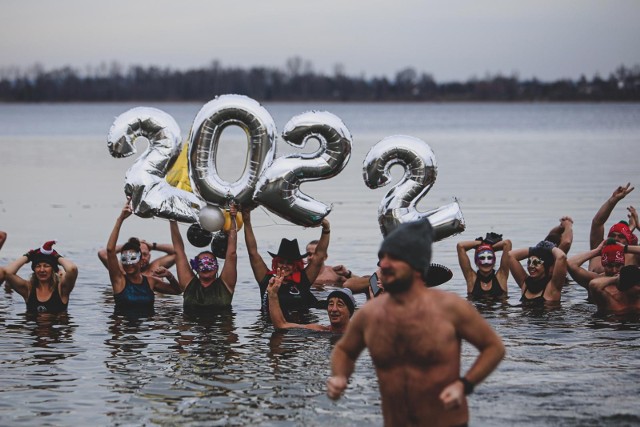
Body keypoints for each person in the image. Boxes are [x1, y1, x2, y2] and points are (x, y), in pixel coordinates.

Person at [327, 219, 505, 426]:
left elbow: (494, 347)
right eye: (382, 258)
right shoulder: (371, 314)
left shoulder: (450, 308)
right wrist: (339, 376)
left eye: (393, 258)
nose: (383, 264)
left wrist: (464, 385)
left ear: (416, 266)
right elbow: (345, 351)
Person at [242, 208, 329, 313]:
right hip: (271, 327)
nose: (284, 266)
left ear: (296, 265)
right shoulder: (266, 279)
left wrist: (326, 229)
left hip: (302, 326)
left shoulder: (303, 280)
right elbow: (253, 253)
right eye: (281, 262)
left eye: (290, 263)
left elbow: (318, 257)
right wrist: (246, 221)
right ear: (276, 262)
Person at [106, 198, 182, 307]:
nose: (128, 263)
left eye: (132, 258)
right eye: (124, 259)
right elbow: (109, 250)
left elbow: (177, 291)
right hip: (124, 323)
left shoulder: (151, 281)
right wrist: (120, 219)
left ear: (141, 260)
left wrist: (170, 276)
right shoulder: (119, 280)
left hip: (147, 323)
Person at [169, 203, 238, 311]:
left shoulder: (226, 284)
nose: (205, 267)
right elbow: (179, 251)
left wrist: (232, 219)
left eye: (210, 263)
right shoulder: (188, 284)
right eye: (201, 263)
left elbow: (231, 254)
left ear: (216, 268)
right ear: (195, 266)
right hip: (193, 327)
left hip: (219, 327)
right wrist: (172, 219)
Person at [267, 268, 355, 333]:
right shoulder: (320, 331)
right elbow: (281, 325)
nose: (334, 309)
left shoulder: (358, 336)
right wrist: (272, 295)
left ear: (350, 312)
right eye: (331, 304)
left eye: (340, 304)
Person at [1, 240, 78, 314]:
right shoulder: (28, 288)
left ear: (53, 270)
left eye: (46, 266)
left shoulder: (62, 288)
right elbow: (8, 272)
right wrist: (28, 255)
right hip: (32, 327)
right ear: (34, 270)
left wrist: (56, 256)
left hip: (56, 327)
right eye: (38, 266)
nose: (42, 270)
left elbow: (72, 269)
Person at [589, 183, 635, 273]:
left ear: (628, 241)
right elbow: (597, 223)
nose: (616, 239)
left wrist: (636, 226)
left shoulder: (633, 256)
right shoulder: (597, 252)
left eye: (621, 237)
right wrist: (613, 200)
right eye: (612, 235)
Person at [457, 232, 511, 298]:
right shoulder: (471, 278)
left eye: (489, 257)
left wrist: (488, 246)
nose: (486, 262)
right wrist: (480, 243)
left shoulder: (501, 277)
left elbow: (507, 243)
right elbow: (460, 246)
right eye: (482, 257)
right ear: (476, 261)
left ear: (494, 261)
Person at [97, 233, 176, 273]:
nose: (141, 257)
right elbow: (103, 253)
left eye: (144, 254)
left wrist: (153, 246)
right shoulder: (123, 270)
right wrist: (128, 246)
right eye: (137, 254)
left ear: (149, 256)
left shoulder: (155, 267)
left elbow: (177, 252)